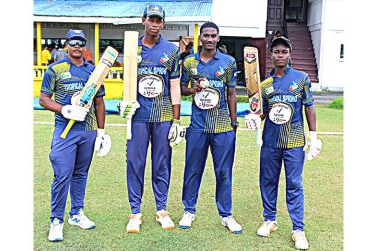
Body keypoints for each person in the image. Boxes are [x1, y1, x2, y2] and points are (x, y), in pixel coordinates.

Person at [244, 36, 322, 250]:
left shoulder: (301, 78)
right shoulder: (265, 84)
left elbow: (309, 106)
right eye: (276, 52)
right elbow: (262, 112)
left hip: (294, 141)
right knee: (268, 181)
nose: (280, 55)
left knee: (294, 184)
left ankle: (298, 229)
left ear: (290, 54)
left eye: (284, 51)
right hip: (271, 141)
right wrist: (254, 117)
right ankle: (270, 220)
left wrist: (313, 136)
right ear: (271, 55)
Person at [39, 29, 111, 242]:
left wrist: (101, 132)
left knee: (80, 173)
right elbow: (43, 99)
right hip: (65, 130)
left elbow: (99, 102)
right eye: (73, 42)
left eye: (81, 42)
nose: (77, 46)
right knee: (62, 174)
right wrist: (63, 109)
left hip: (87, 131)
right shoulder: (56, 69)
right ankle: (56, 220)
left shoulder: (93, 71)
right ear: (66, 46)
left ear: (84, 46)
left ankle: (76, 213)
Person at [118, 4, 181, 233]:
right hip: (138, 116)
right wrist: (124, 104)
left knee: (161, 163)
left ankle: (162, 209)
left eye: (158, 20)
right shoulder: (132, 48)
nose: (154, 24)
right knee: (135, 163)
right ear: (143, 20)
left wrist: (176, 120)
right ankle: (135, 212)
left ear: (163, 23)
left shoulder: (171, 50)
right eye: (151, 19)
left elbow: (174, 86)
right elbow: (127, 84)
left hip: (163, 115)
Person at [178, 21, 243, 234]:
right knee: (192, 169)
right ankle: (189, 210)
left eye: (213, 36)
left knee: (223, 172)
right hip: (197, 126)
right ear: (200, 38)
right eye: (205, 35)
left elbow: (232, 93)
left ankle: (226, 215)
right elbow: (181, 89)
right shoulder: (189, 62)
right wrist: (191, 89)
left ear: (218, 38)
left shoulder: (228, 62)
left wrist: (234, 122)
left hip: (223, 126)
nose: (209, 39)